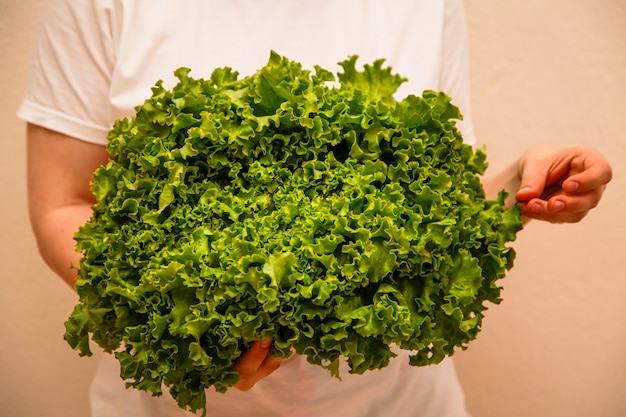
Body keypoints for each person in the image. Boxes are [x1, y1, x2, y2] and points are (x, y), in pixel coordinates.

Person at [19, 1, 612, 416]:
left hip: (397, 407)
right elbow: (63, 205)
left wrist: (521, 183)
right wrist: (192, 335)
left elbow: (431, 205)